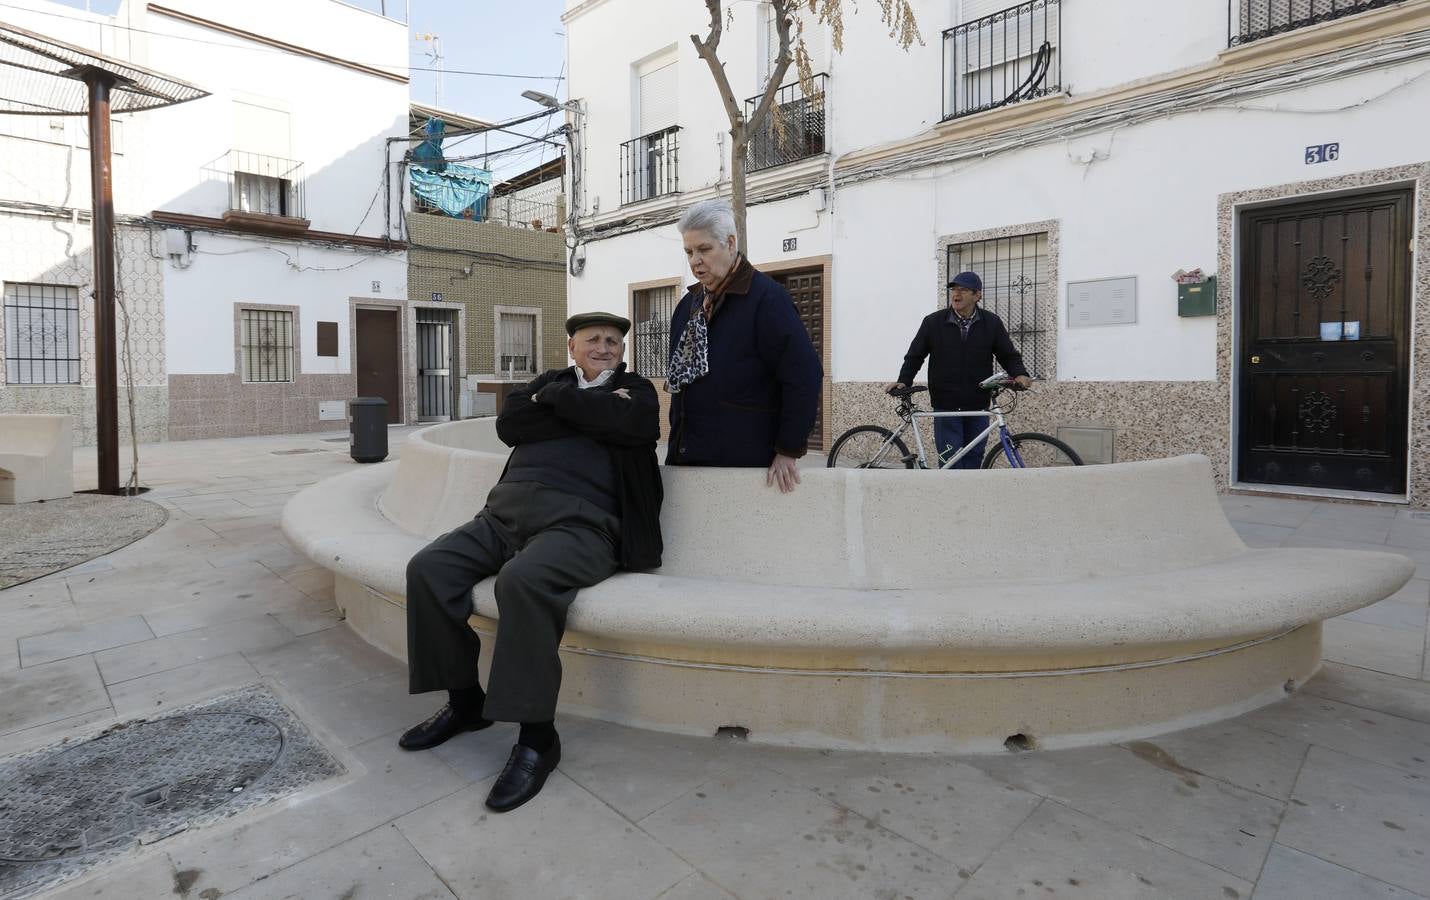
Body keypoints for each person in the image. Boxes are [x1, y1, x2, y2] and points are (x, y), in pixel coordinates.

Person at [398, 311, 662, 813]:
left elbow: (636, 425)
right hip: (502, 514)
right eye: (593, 340)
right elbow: (512, 422)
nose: (604, 347)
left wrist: (561, 403)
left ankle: (538, 738)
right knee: (428, 569)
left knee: (522, 581)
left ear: (622, 352)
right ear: (572, 347)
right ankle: (465, 702)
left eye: (612, 341)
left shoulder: (637, 390)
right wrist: (590, 407)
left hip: (583, 524)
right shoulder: (548, 381)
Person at [665, 199, 823, 492]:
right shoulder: (690, 304)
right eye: (689, 251)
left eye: (704, 249)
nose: (695, 261)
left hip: (743, 463)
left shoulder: (766, 299)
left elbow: (803, 375)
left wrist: (788, 449)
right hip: (688, 458)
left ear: (730, 242)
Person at [885, 271, 1032, 469]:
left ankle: (968, 498)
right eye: (954, 289)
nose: (957, 294)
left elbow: (1008, 355)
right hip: (946, 403)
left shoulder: (991, 322)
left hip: (977, 402)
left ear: (977, 295)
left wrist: (1020, 374)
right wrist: (904, 380)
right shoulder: (933, 322)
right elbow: (915, 355)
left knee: (974, 456)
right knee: (950, 459)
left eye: (963, 290)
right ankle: (948, 496)